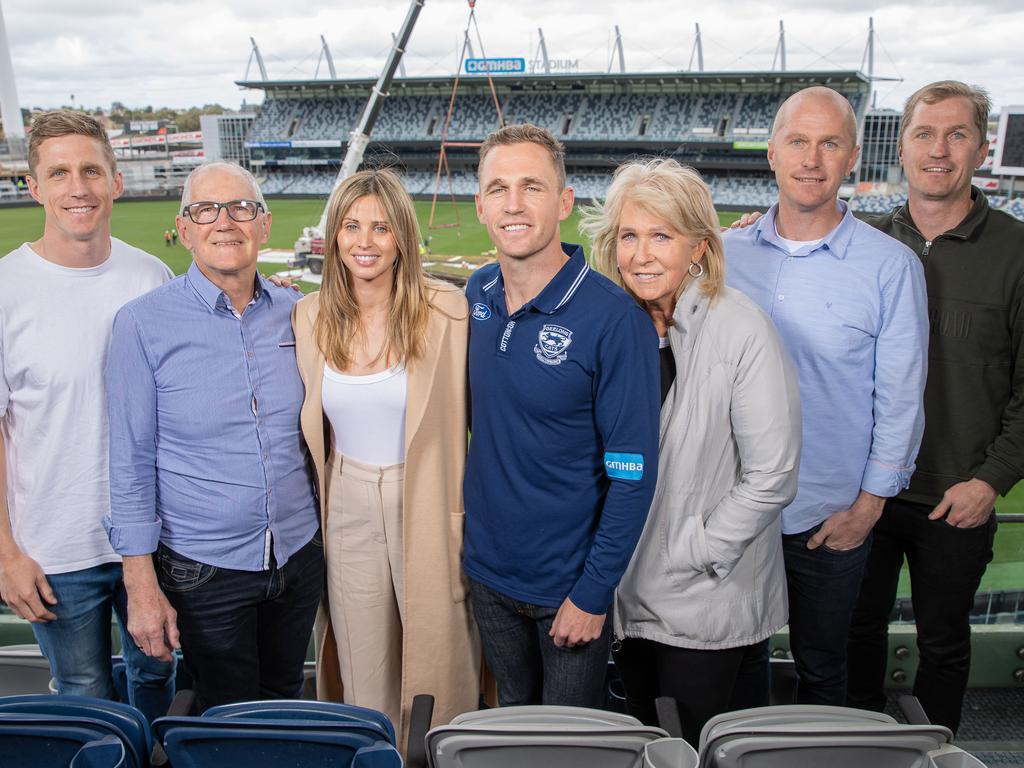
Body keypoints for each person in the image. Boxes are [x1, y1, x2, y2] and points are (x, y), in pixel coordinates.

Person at [582, 158, 802, 744]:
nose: (641, 254)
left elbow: (772, 474)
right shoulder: (615, 325)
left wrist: (696, 550)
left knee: (696, 745)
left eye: (662, 236)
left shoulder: (741, 328)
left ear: (699, 247)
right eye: (629, 235)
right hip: (627, 592)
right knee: (646, 743)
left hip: (705, 596)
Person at [723, 86, 929, 706]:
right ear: (772, 154)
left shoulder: (891, 267)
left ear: (852, 159)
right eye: (798, 141)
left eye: (829, 143)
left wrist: (867, 508)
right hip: (731, 511)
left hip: (828, 518)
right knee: (732, 669)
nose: (811, 159)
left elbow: (901, 399)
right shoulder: (720, 255)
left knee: (824, 671)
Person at [104, 161, 323, 712]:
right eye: (207, 209)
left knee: (286, 701)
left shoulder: (299, 313)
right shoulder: (142, 324)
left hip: (297, 554)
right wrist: (140, 584)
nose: (225, 222)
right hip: (204, 568)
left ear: (264, 225)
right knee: (224, 714)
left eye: (241, 208)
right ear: (185, 228)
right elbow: (129, 462)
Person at [846, 81, 1024, 733]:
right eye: (925, 133)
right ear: (904, 146)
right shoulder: (858, 240)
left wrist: (991, 481)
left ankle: (934, 751)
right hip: (864, 492)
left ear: (981, 147)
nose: (939, 149)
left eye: (956, 134)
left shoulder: (1015, 251)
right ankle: (856, 748)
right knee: (853, 636)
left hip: (958, 498)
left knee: (944, 647)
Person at [463, 123, 660, 707]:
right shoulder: (477, 293)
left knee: (570, 746)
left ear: (564, 201)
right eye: (498, 189)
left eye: (532, 186)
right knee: (510, 727)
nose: (514, 204)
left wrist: (594, 592)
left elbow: (633, 474)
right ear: (480, 205)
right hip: (487, 575)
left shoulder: (615, 319)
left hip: (568, 590)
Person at [292, 169, 480, 742]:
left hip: (425, 494)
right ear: (335, 235)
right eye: (351, 226)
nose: (364, 241)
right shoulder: (309, 315)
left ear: (401, 235)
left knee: (437, 661)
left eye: (379, 227)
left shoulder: (447, 311)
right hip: (346, 499)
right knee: (363, 663)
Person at [0, 110, 175, 720]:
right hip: (54, 546)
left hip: (151, 539)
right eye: (59, 173)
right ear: (34, 187)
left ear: (115, 181)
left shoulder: (150, 276)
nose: (78, 187)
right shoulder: (6, 289)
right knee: (83, 696)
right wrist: (6, 552)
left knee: (158, 673)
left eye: (91, 170)